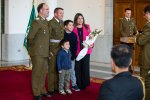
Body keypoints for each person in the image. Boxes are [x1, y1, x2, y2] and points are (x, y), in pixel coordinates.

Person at [27, 3, 51, 100]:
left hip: (45, 52)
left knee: (43, 72)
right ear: (41, 10)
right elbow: (30, 37)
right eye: (46, 9)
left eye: (48, 9)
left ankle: (42, 90)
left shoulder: (45, 22)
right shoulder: (36, 22)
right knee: (37, 73)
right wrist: (34, 49)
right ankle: (36, 93)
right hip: (37, 52)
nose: (48, 11)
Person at [73, 13, 93, 90]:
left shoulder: (87, 27)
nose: (80, 20)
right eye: (78, 18)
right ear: (76, 19)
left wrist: (91, 44)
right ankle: (78, 84)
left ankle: (84, 84)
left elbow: (91, 38)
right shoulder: (73, 28)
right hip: (77, 51)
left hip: (86, 50)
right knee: (77, 68)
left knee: (85, 67)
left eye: (81, 18)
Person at [48, 7, 64, 95]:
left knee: (59, 68)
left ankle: (57, 87)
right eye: (60, 13)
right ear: (55, 14)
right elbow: (47, 38)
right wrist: (49, 50)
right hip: (53, 49)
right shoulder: (50, 23)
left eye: (63, 13)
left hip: (61, 49)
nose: (62, 15)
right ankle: (51, 89)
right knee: (52, 70)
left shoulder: (61, 22)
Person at [136, 5, 150, 100]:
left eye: (145, 14)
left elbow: (141, 41)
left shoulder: (148, 26)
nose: (144, 16)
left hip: (147, 58)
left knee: (145, 83)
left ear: (148, 13)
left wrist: (137, 36)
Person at [119, 8, 138, 73]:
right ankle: (124, 68)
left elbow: (135, 29)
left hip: (131, 41)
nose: (129, 14)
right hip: (124, 41)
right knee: (124, 55)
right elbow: (121, 30)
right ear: (124, 13)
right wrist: (126, 37)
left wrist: (136, 33)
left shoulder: (133, 20)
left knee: (130, 55)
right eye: (127, 13)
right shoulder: (121, 20)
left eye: (130, 13)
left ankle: (130, 68)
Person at [64, 20, 80, 91]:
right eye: (70, 25)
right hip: (63, 56)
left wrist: (73, 56)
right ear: (65, 26)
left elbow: (75, 47)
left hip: (71, 56)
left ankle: (74, 84)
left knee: (72, 71)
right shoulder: (63, 34)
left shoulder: (74, 35)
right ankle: (63, 85)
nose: (71, 26)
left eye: (72, 25)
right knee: (63, 71)